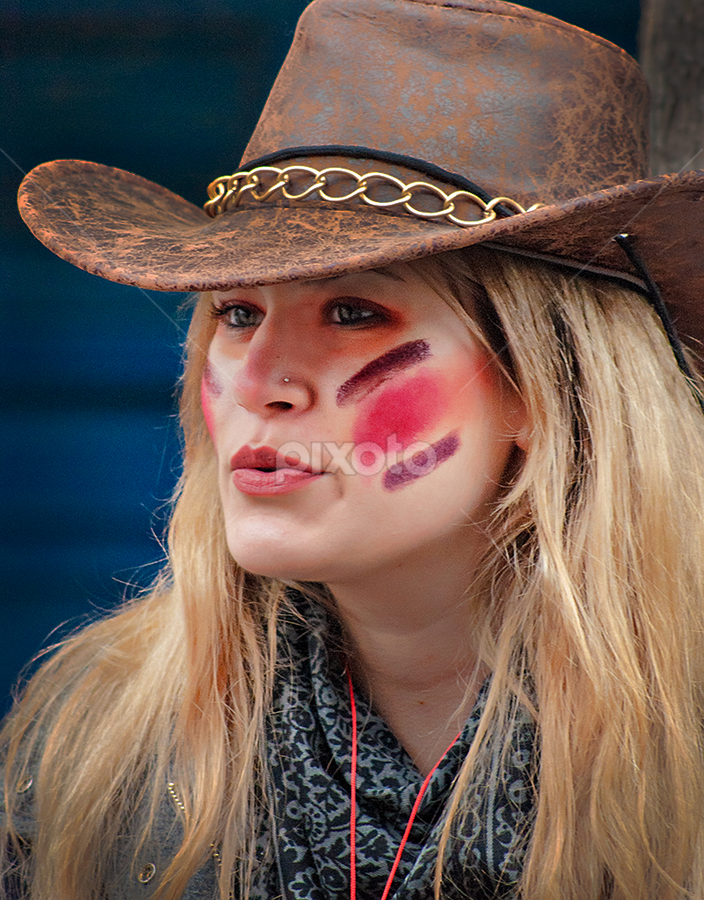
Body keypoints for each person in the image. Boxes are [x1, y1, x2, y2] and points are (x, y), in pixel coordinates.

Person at [5, 0, 704, 898]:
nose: (260, 379)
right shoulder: (89, 753)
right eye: (237, 312)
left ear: (545, 388)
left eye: (352, 312)